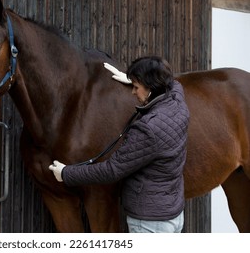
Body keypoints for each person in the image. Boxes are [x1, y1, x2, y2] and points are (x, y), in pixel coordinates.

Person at [49, 56, 190, 233]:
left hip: (149, 223)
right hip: (173, 215)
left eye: (136, 88)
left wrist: (66, 173)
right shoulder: (178, 103)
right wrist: (133, 80)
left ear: (151, 89)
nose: (132, 92)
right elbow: (174, 83)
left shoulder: (148, 128)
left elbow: (112, 169)